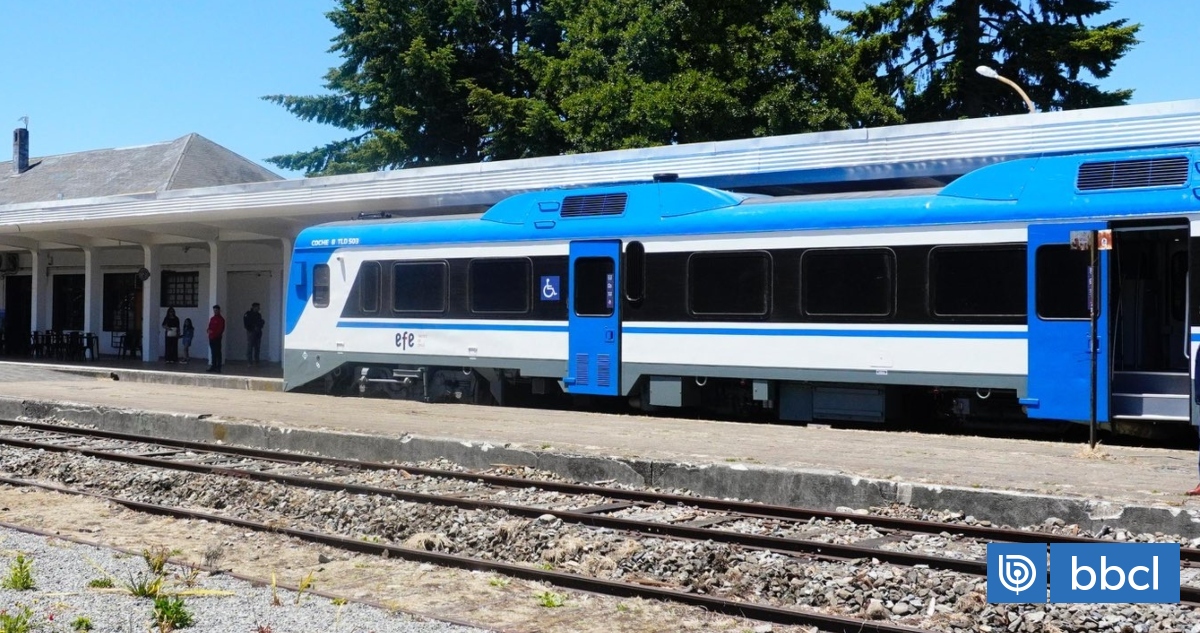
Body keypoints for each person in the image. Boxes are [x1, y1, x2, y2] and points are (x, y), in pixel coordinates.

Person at [206, 305, 225, 373]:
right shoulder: (212, 319)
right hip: (211, 338)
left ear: (219, 310)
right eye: (214, 310)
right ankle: (213, 366)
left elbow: (220, 329)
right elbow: (209, 327)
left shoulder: (221, 319)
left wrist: (213, 333)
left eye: (216, 310)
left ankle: (218, 367)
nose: (215, 312)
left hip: (217, 338)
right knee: (213, 352)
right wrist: (208, 330)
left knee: (218, 353)